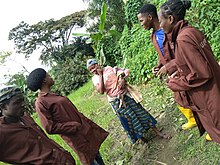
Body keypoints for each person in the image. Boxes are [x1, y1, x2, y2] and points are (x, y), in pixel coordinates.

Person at [158, 0, 220, 143]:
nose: (160, 26)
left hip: (209, 97)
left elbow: (202, 73)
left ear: (170, 19)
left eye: (161, 21)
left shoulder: (183, 39)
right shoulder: (192, 31)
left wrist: (175, 83)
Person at [26, 68, 109, 165]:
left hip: (84, 130)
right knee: (90, 160)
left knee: (96, 154)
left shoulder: (52, 95)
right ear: (44, 80)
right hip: (76, 137)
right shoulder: (41, 102)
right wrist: (73, 126)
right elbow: (49, 127)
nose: (50, 76)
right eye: (48, 75)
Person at [137, 3, 196, 131]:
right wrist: (159, 66)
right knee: (179, 96)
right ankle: (192, 119)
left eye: (141, 20)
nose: (141, 24)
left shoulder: (169, 30)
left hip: (182, 67)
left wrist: (168, 67)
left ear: (150, 17)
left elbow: (181, 53)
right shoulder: (154, 35)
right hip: (172, 70)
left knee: (195, 95)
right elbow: (162, 52)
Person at [87, 59, 171, 144]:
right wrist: (100, 75)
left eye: (93, 67)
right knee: (129, 119)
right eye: (90, 70)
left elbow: (122, 71)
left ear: (98, 64)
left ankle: (158, 133)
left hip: (125, 95)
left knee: (140, 112)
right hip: (116, 102)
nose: (93, 70)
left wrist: (122, 79)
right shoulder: (95, 79)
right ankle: (142, 138)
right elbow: (101, 91)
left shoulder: (108, 68)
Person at [0, 86, 75, 165]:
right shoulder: (2, 131)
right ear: (3, 107)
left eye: (23, 100)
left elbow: (44, 139)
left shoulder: (25, 117)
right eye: (18, 102)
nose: (23, 104)